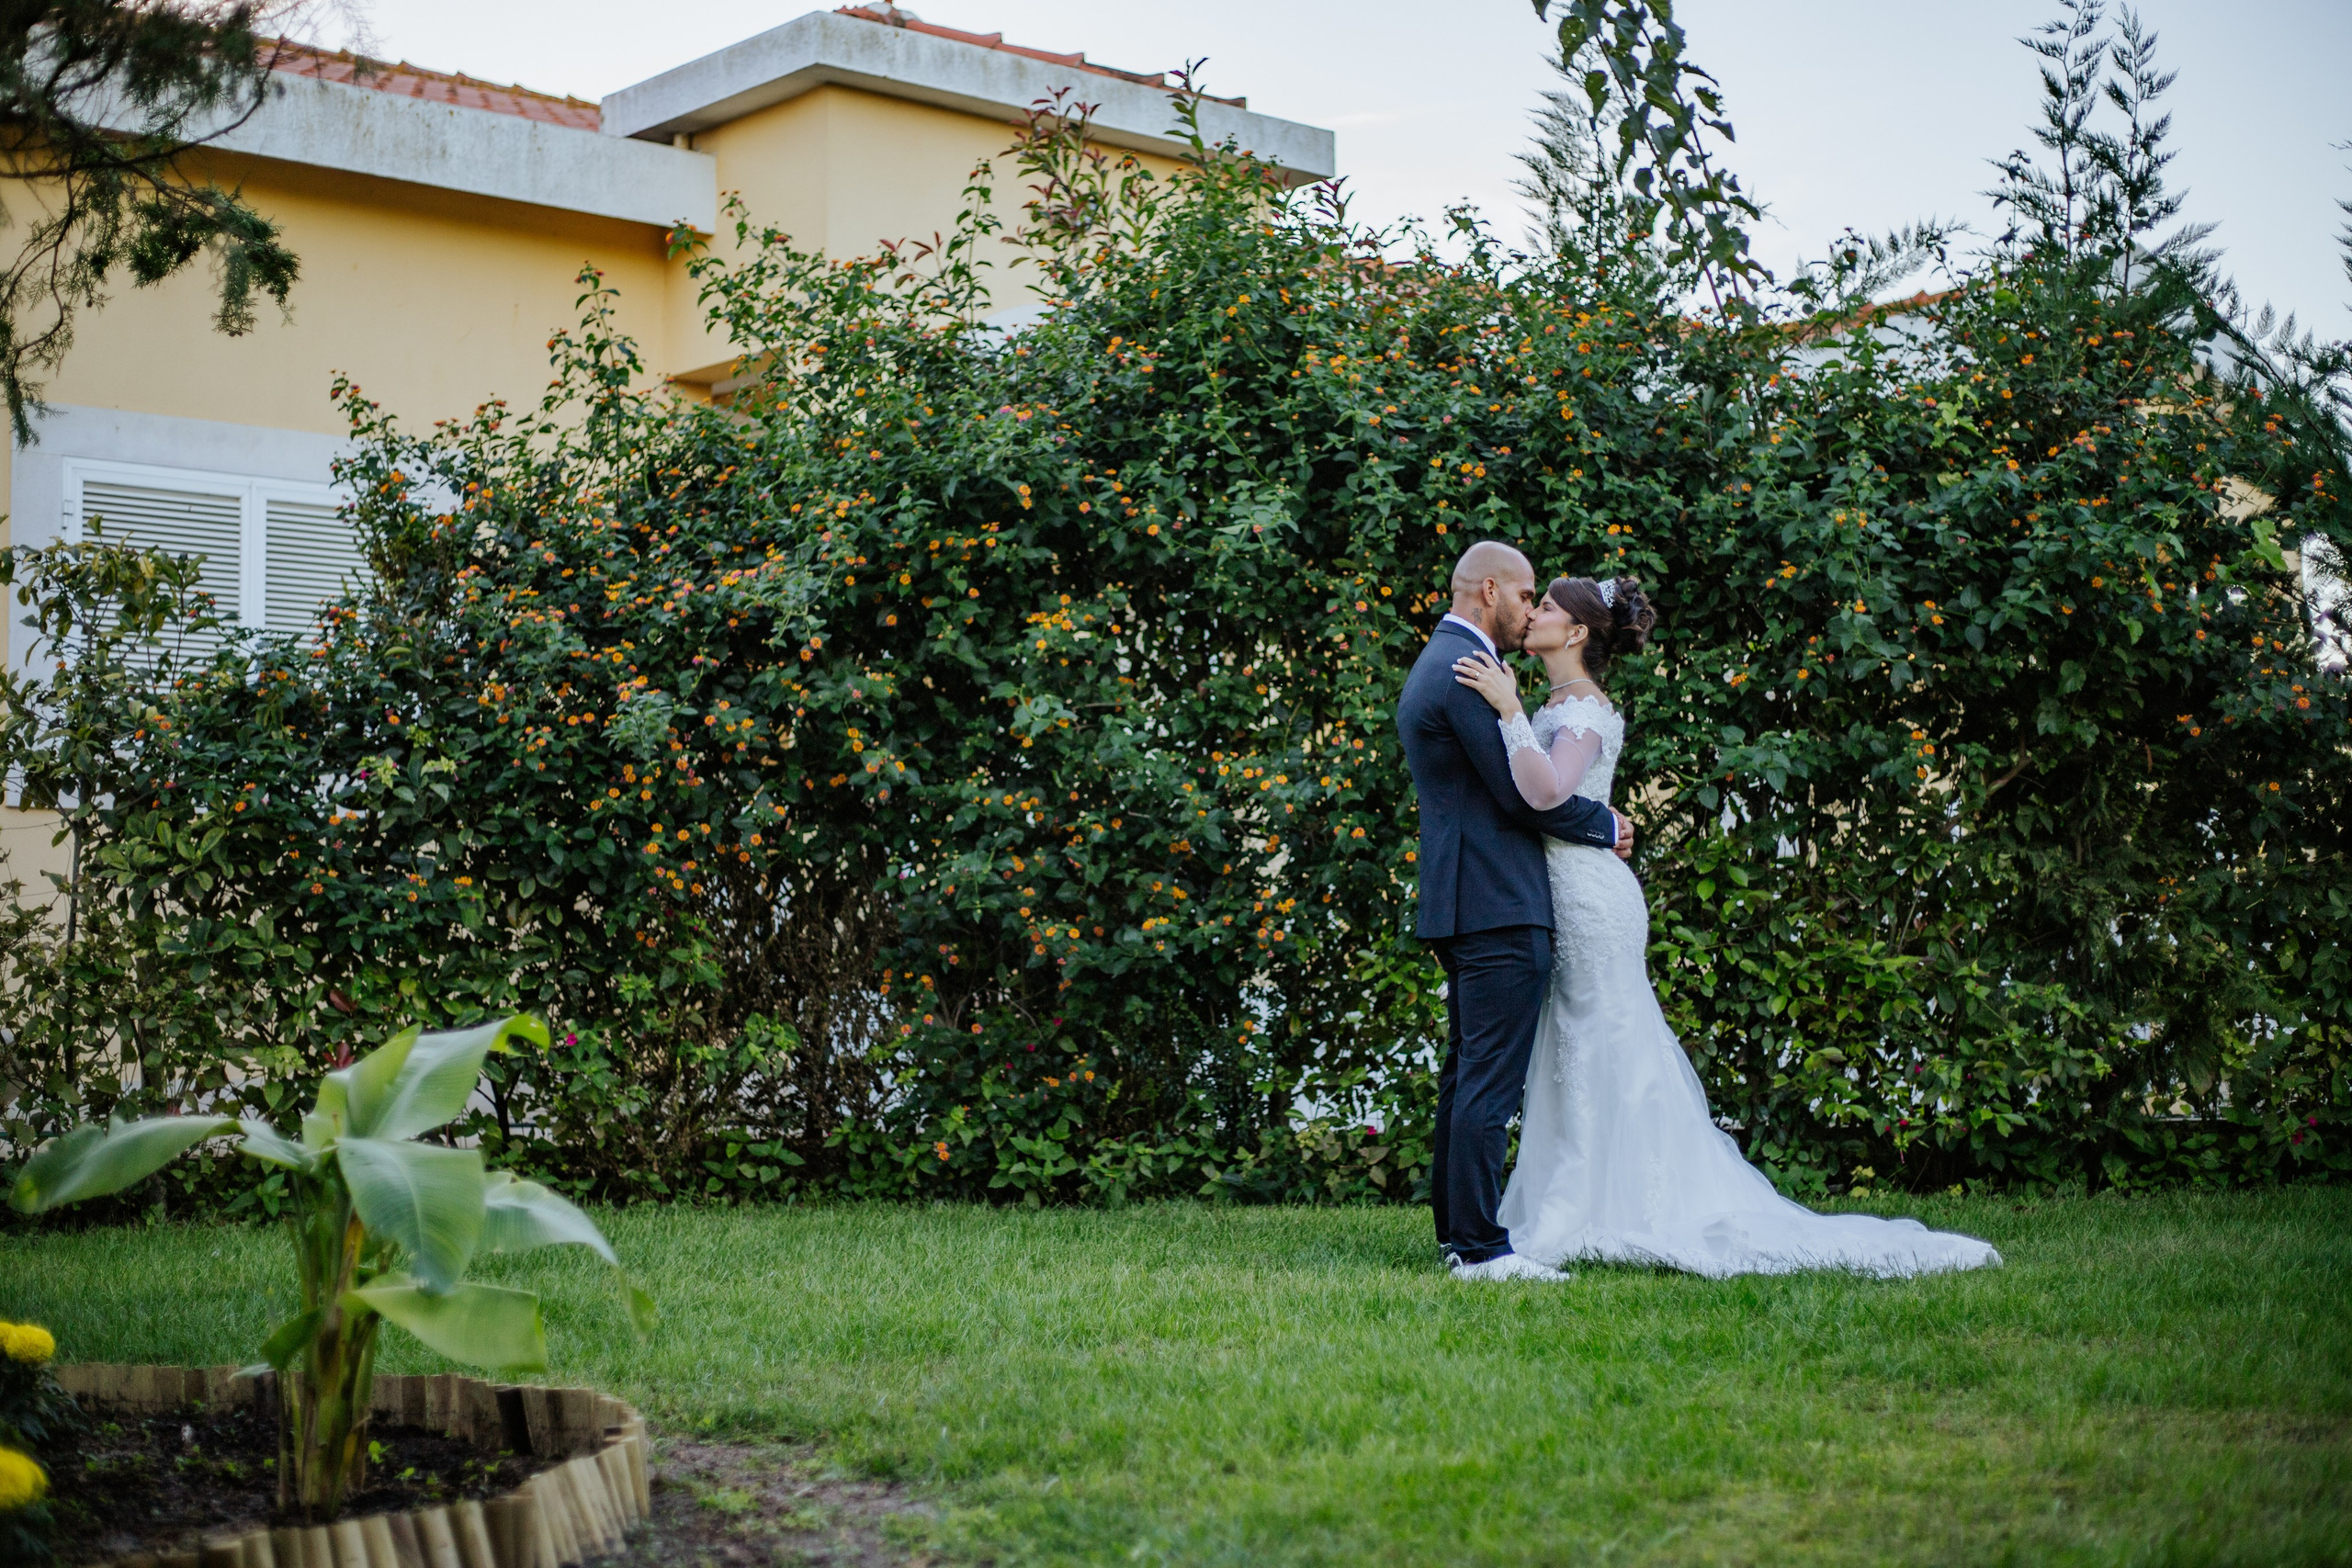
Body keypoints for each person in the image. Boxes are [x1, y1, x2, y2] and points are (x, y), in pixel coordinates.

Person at [1450, 572, 2001, 1278]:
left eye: (1549, 606)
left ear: (1578, 633)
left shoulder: (1582, 708)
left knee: (1604, 1033)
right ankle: (1576, 1199)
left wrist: (1509, 712)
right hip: (1559, 887)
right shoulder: (1556, 702)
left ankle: (1611, 1206)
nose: (1536, 614)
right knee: (1571, 1041)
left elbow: (1548, 791)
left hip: (1591, 899)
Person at [1395, 540, 1633, 1282]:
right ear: (1490, 591)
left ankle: (1458, 1236)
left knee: (1469, 1071)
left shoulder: (1442, 661)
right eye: (1527, 595)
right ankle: (1479, 1248)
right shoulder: (1468, 671)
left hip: (1472, 899)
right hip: (1496, 905)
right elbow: (1519, 792)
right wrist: (1608, 825)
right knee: (1488, 1079)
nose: (1531, 610)